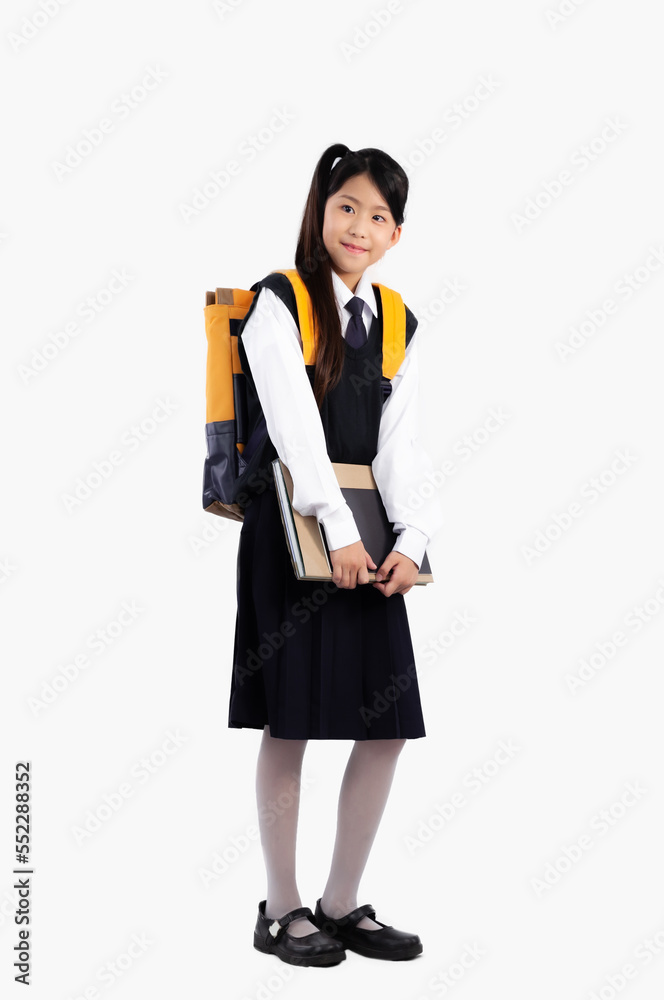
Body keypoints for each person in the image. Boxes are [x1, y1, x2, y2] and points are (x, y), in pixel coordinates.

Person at [227, 143, 444, 967]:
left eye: (380, 215)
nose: (361, 225)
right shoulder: (280, 302)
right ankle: (280, 910)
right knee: (293, 725)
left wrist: (413, 539)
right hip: (293, 535)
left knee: (384, 726)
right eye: (346, 205)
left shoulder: (397, 322)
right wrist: (338, 532)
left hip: (372, 540)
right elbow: (292, 427)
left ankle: (341, 902)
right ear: (320, 213)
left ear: (396, 234)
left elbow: (402, 446)